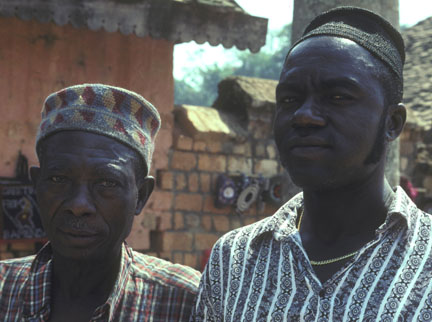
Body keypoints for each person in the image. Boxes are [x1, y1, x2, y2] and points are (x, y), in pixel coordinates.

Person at [191, 7, 432, 321]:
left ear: (393, 122)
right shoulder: (233, 260)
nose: (303, 115)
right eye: (290, 99)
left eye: (338, 97)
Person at [0, 84, 201, 321]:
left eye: (107, 183)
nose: (78, 205)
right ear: (37, 186)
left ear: (141, 196)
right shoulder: (5, 289)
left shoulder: (188, 303)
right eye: (58, 179)